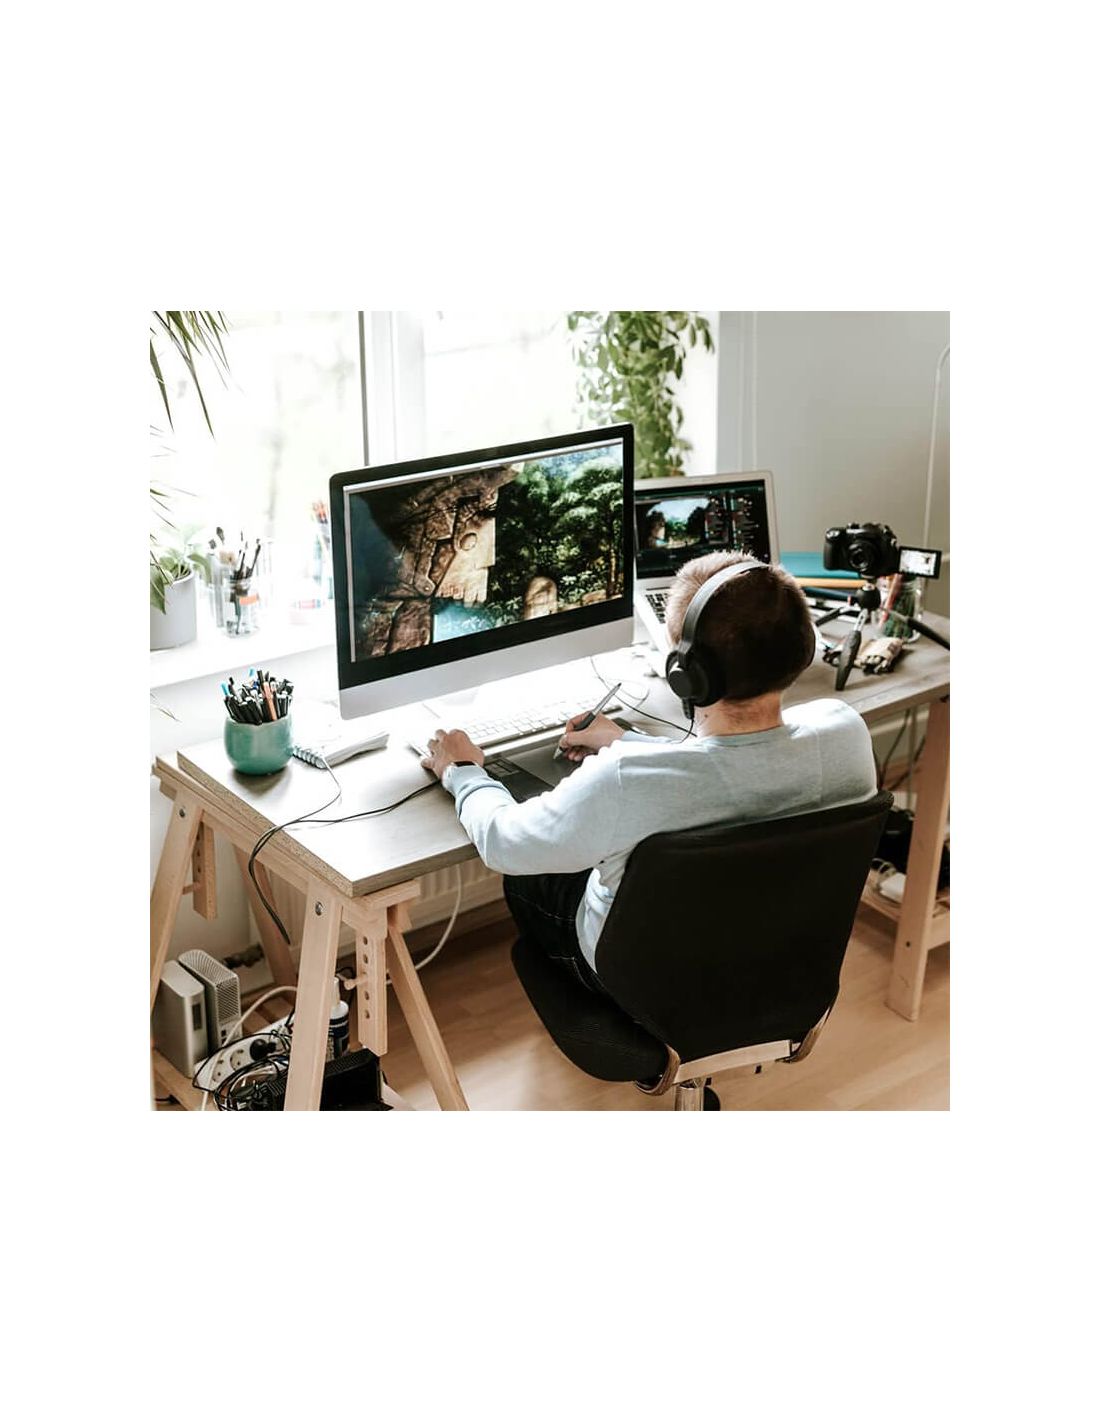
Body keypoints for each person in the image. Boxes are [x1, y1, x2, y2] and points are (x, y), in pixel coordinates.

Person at [419, 551, 877, 993]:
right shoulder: (846, 734)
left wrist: (462, 769)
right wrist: (626, 740)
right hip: (779, 964)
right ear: (802, 648)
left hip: (640, 984)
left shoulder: (621, 780)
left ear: (686, 674)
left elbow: (502, 842)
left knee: (534, 877)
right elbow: (729, 766)